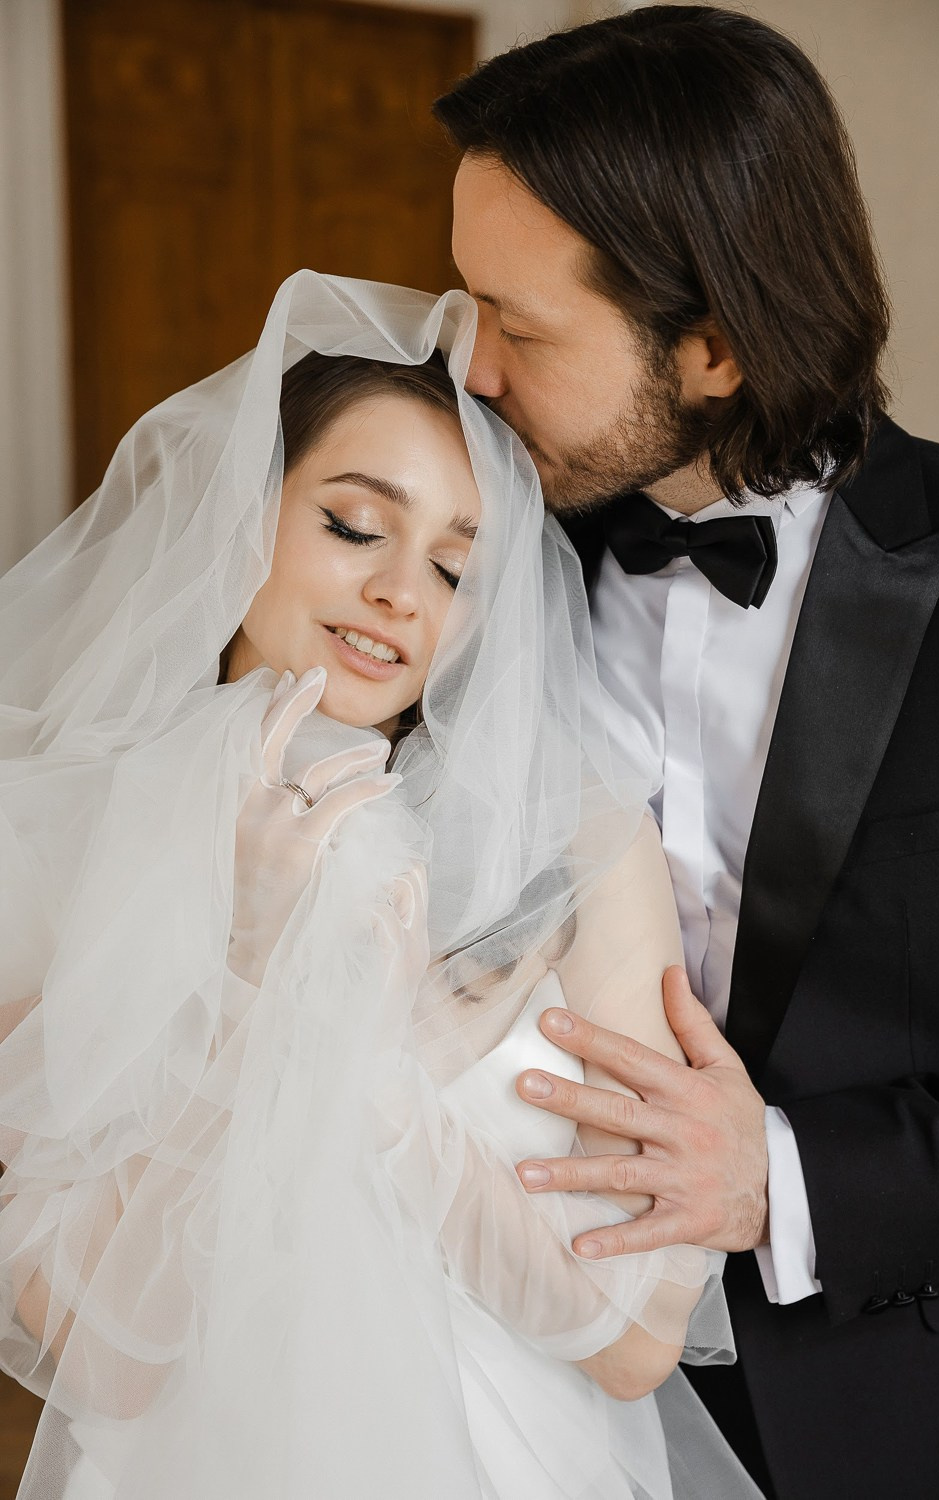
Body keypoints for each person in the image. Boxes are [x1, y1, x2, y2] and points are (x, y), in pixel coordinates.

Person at [0, 272, 760, 1498]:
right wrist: (250, 985)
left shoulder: (575, 847)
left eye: (458, 570)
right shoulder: (57, 835)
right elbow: (104, 1356)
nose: (402, 594)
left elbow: (631, 1346)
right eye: (355, 527)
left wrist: (384, 1086)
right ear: (242, 507)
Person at [432, 6, 939, 1498]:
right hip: (510, 1400)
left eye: (520, 329)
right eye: (465, 307)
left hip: (914, 1420)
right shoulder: (464, 563)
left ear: (716, 347)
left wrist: (781, 1180)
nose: (471, 374)